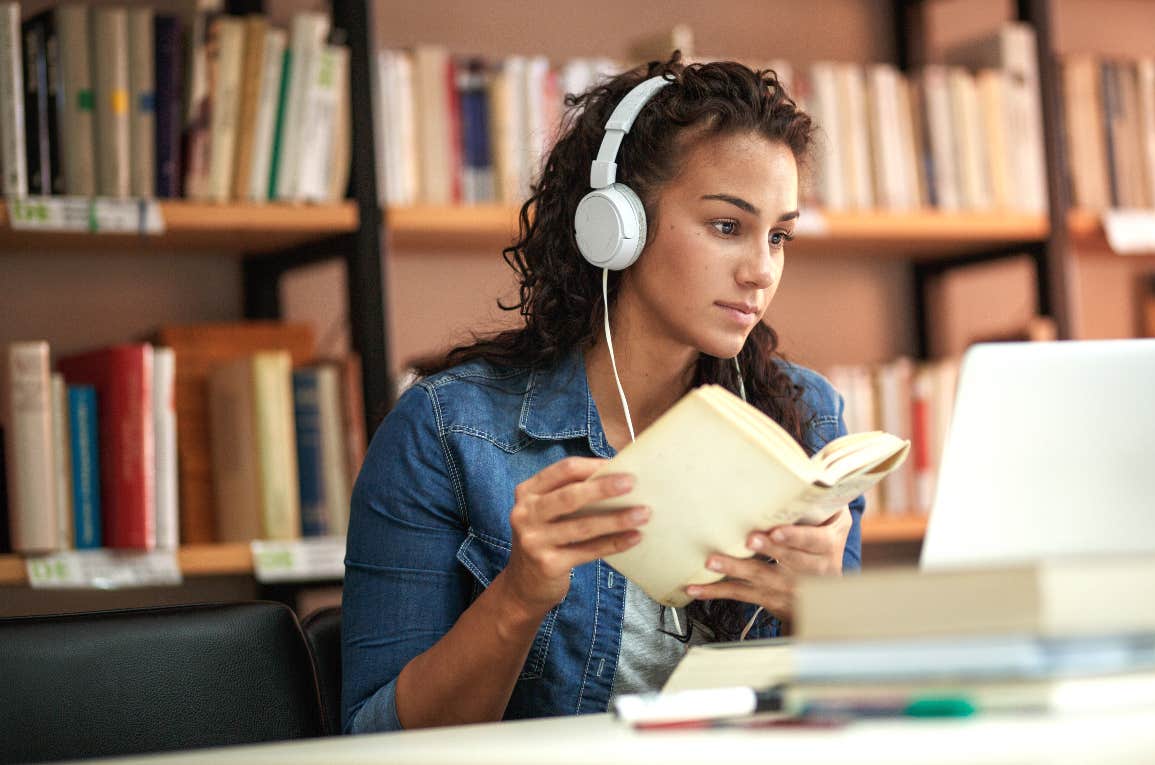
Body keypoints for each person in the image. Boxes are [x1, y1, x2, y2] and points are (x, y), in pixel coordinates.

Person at [341, 55, 865, 733]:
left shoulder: (806, 418)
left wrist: (823, 613)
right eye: (727, 227)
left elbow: (847, 723)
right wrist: (519, 596)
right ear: (618, 225)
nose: (761, 270)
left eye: (779, 235)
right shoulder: (445, 432)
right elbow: (375, 738)